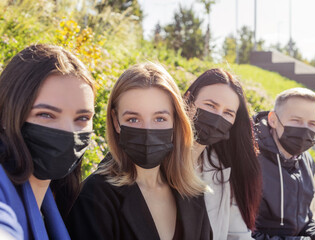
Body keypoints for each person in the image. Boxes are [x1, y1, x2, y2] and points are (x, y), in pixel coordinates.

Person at [65, 62, 212, 240]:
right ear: (116, 121)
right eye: (133, 119)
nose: (147, 130)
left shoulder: (192, 193)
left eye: (159, 118)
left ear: (176, 121)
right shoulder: (93, 197)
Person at [0, 44, 95, 239]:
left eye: (82, 118)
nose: (68, 131)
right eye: (46, 114)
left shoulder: (61, 201)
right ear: (7, 113)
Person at [252, 88, 315, 240]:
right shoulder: (249, 161)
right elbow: (241, 234)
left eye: (312, 123)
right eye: (296, 120)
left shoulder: (307, 161)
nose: (304, 129)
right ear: (273, 120)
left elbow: (303, 222)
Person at [184, 68, 262, 240]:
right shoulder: (154, 160)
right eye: (210, 105)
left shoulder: (221, 169)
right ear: (188, 100)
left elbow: (237, 235)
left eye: (228, 113)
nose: (217, 117)